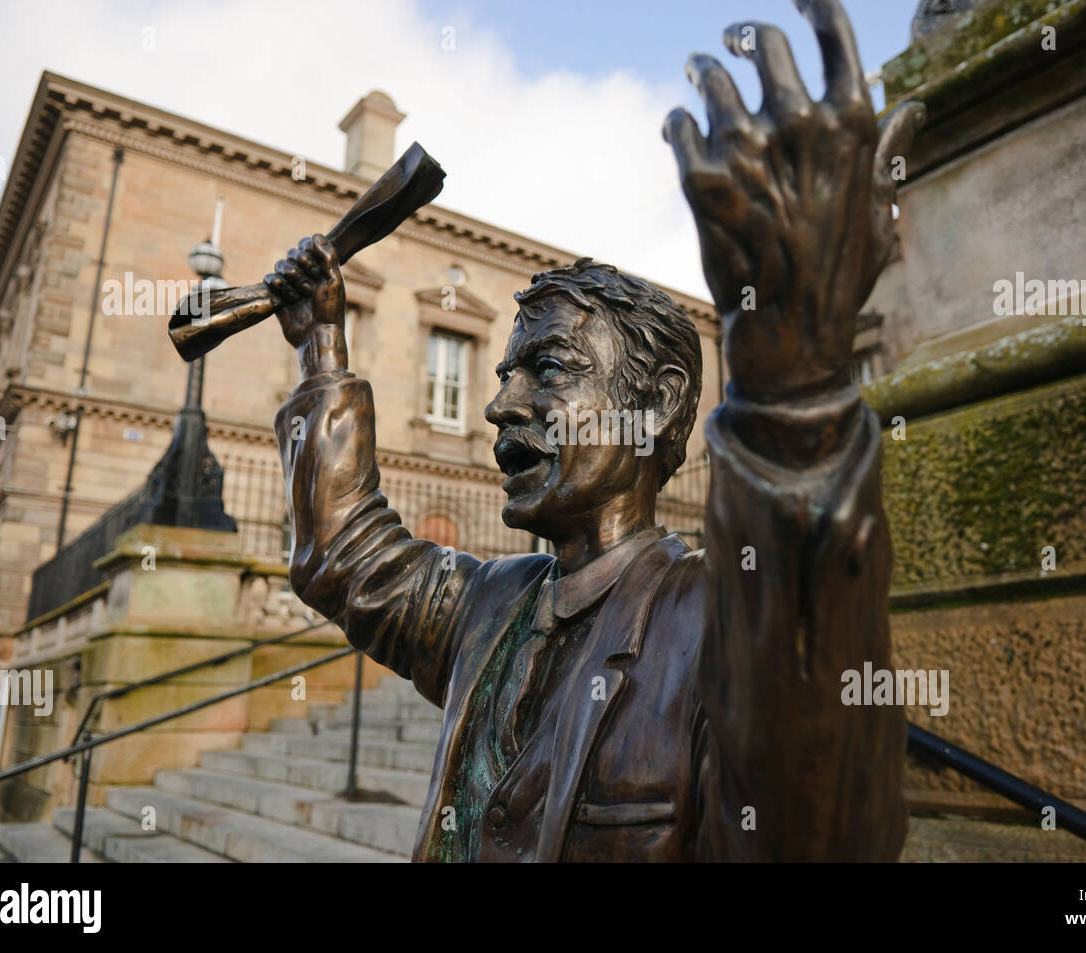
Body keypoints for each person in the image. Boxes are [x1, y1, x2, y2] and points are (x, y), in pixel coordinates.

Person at [264, 0, 923, 861]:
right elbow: (341, 553)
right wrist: (322, 347)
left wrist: (794, 389)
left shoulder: (714, 619)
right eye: (503, 375)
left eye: (548, 370)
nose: (503, 404)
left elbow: (816, 830)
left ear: (654, 405)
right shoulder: (487, 603)